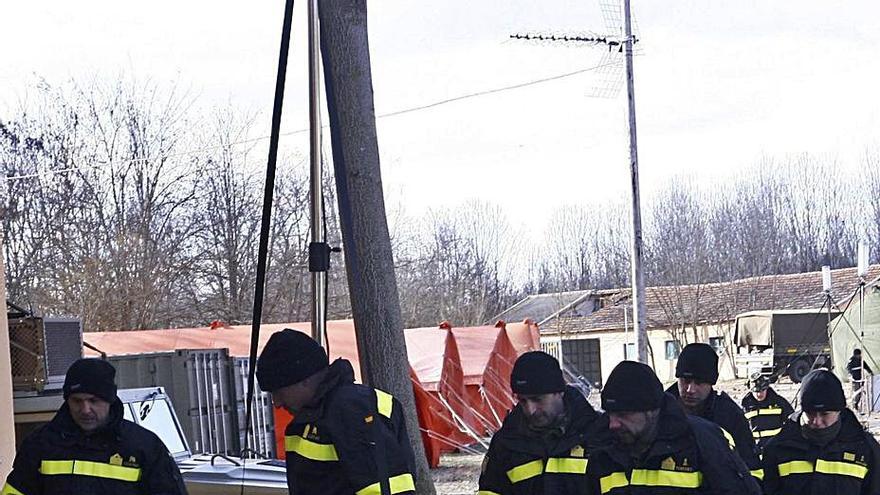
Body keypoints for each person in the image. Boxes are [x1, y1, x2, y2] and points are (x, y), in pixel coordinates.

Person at [256, 329, 417, 495]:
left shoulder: (352, 411)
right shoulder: (314, 415)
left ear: (304, 380)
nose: (277, 403)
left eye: (279, 392)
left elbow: (389, 490)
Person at [2, 358, 188, 495]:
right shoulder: (41, 445)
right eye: (77, 401)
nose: (85, 409)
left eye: (93, 400)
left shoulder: (144, 447)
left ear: (109, 400)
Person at [586, 361, 761, 495]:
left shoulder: (701, 440)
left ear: (652, 411)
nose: (613, 424)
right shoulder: (602, 448)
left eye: (624, 415)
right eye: (610, 414)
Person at [478, 351, 599, 495]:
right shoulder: (506, 443)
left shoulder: (596, 434)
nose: (531, 410)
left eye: (537, 399)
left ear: (560, 392)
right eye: (522, 401)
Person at [762, 369, 880, 495]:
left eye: (825, 414)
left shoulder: (866, 449)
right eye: (810, 413)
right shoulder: (778, 448)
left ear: (839, 411)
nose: (817, 421)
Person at [666, 342, 761, 477]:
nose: (690, 390)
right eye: (686, 381)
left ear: (711, 383)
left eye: (699, 383)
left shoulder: (730, 416)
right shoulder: (660, 413)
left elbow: (752, 470)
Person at [741, 372, 794, 454]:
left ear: (767, 388)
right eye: (756, 391)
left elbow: (792, 423)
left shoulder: (779, 402)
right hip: (755, 450)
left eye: (762, 390)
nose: (759, 394)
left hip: (777, 449)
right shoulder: (745, 406)